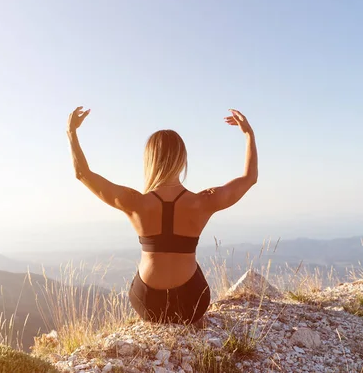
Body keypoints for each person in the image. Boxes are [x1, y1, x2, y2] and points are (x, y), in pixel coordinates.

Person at [66, 106, 258, 325]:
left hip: (147, 303)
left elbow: (82, 173)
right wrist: (248, 134)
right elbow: (249, 178)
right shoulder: (202, 202)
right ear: (182, 160)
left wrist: (71, 133)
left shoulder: (135, 203)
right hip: (191, 303)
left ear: (149, 160)